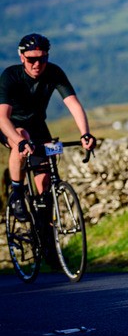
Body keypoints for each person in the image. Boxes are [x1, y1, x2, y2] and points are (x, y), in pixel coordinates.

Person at [0, 33, 96, 221]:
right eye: (31, 59)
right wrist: (19, 141)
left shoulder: (54, 72)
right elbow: (2, 117)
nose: (37, 64)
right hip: (11, 126)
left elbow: (74, 104)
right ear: (22, 57)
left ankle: (46, 236)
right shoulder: (10, 76)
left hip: (37, 126)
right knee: (22, 135)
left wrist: (85, 134)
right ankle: (18, 194)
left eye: (42, 58)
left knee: (45, 184)